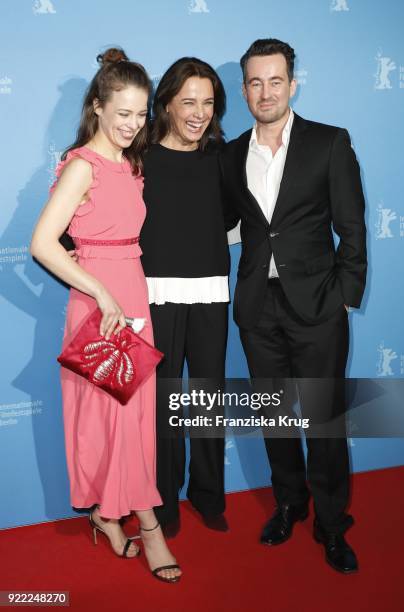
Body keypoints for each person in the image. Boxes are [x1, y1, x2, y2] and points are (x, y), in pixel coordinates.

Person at [30, 48, 181, 583]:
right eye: (123, 113)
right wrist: (100, 290)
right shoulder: (81, 165)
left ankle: (106, 515)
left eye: (141, 115)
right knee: (116, 420)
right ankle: (149, 524)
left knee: (134, 420)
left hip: (132, 298)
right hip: (100, 308)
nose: (133, 124)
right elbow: (42, 245)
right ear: (97, 107)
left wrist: (122, 293)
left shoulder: (130, 163)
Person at [220, 38, 367, 573]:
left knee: (325, 422)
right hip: (258, 307)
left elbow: (351, 227)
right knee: (276, 416)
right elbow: (224, 222)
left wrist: (346, 296)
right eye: (255, 82)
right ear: (243, 89)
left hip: (319, 305)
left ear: (292, 84)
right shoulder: (231, 153)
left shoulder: (329, 143)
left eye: (275, 80)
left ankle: (332, 524)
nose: (265, 91)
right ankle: (289, 504)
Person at [139, 58, 230, 535]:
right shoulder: (140, 158)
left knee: (209, 397)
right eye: (189, 102)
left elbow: (237, 220)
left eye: (208, 103)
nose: (199, 113)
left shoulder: (221, 158)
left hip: (212, 294)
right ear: (167, 103)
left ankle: (209, 495)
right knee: (165, 406)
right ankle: (165, 502)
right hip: (155, 298)